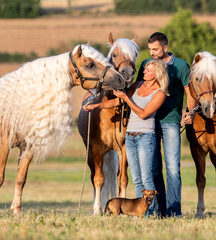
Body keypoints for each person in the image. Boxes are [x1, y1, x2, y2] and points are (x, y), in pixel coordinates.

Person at [84, 59, 170, 215]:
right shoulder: (137, 85)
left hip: (145, 137)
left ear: (157, 74)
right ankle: (140, 212)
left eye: (148, 70)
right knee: (136, 178)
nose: (144, 71)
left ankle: (151, 212)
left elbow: (143, 114)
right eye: (145, 70)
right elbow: (117, 101)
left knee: (146, 176)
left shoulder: (160, 93)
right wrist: (96, 106)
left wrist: (126, 99)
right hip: (130, 137)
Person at [135, 32, 196, 217]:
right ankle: (160, 210)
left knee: (172, 168)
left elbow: (190, 94)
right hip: (149, 122)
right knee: (153, 168)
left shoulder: (181, 66)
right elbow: (139, 88)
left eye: (155, 49)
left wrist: (190, 112)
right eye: (150, 49)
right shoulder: (147, 64)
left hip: (171, 121)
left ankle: (174, 211)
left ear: (165, 48)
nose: (152, 53)